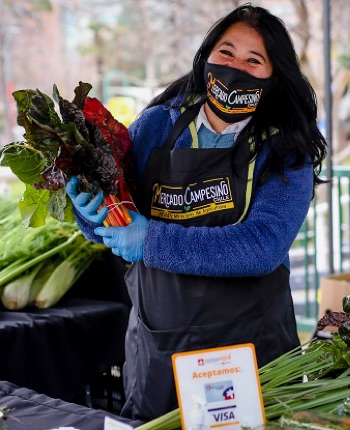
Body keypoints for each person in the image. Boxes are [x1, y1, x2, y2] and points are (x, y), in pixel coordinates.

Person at [66, 3, 327, 422]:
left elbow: (261, 247)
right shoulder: (155, 127)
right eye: (226, 52)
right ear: (206, 56)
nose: (234, 67)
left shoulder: (285, 151)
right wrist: (93, 215)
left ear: (274, 77)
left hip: (250, 351)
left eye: (253, 59)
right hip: (161, 352)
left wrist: (151, 239)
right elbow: (118, 224)